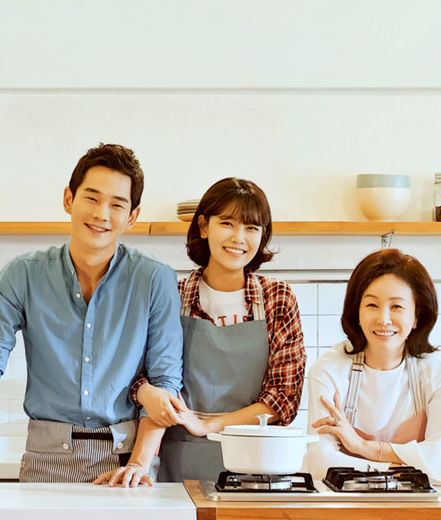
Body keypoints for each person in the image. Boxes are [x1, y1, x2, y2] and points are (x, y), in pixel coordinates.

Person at [0, 143, 184, 487]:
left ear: (132, 216)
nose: (102, 213)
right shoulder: (22, 275)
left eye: (117, 204)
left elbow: (165, 380)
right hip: (46, 461)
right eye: (92, 198)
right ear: (69, 199)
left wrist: (140, 464)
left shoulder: (154, 278)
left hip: (127, 462)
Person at [98, 177, 305, 485]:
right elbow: (134, 374)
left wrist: (209, 425)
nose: (239, 238)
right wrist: (145, 391)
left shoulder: (278, 298)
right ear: (204, 227)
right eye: (227, 223)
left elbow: (284, 398)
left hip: (254, 465)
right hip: (176, 463)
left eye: (251, 228)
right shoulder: (172, 295)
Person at [305, 249, 441, 484]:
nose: (383, 320)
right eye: (372, 305)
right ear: (357, 312)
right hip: (350, 501)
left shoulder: (437, 368)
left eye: (396, 307)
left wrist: (363, 447)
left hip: (423, 502)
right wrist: (403, 467)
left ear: (417, 316)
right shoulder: (329, 369)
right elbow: (321, 460)